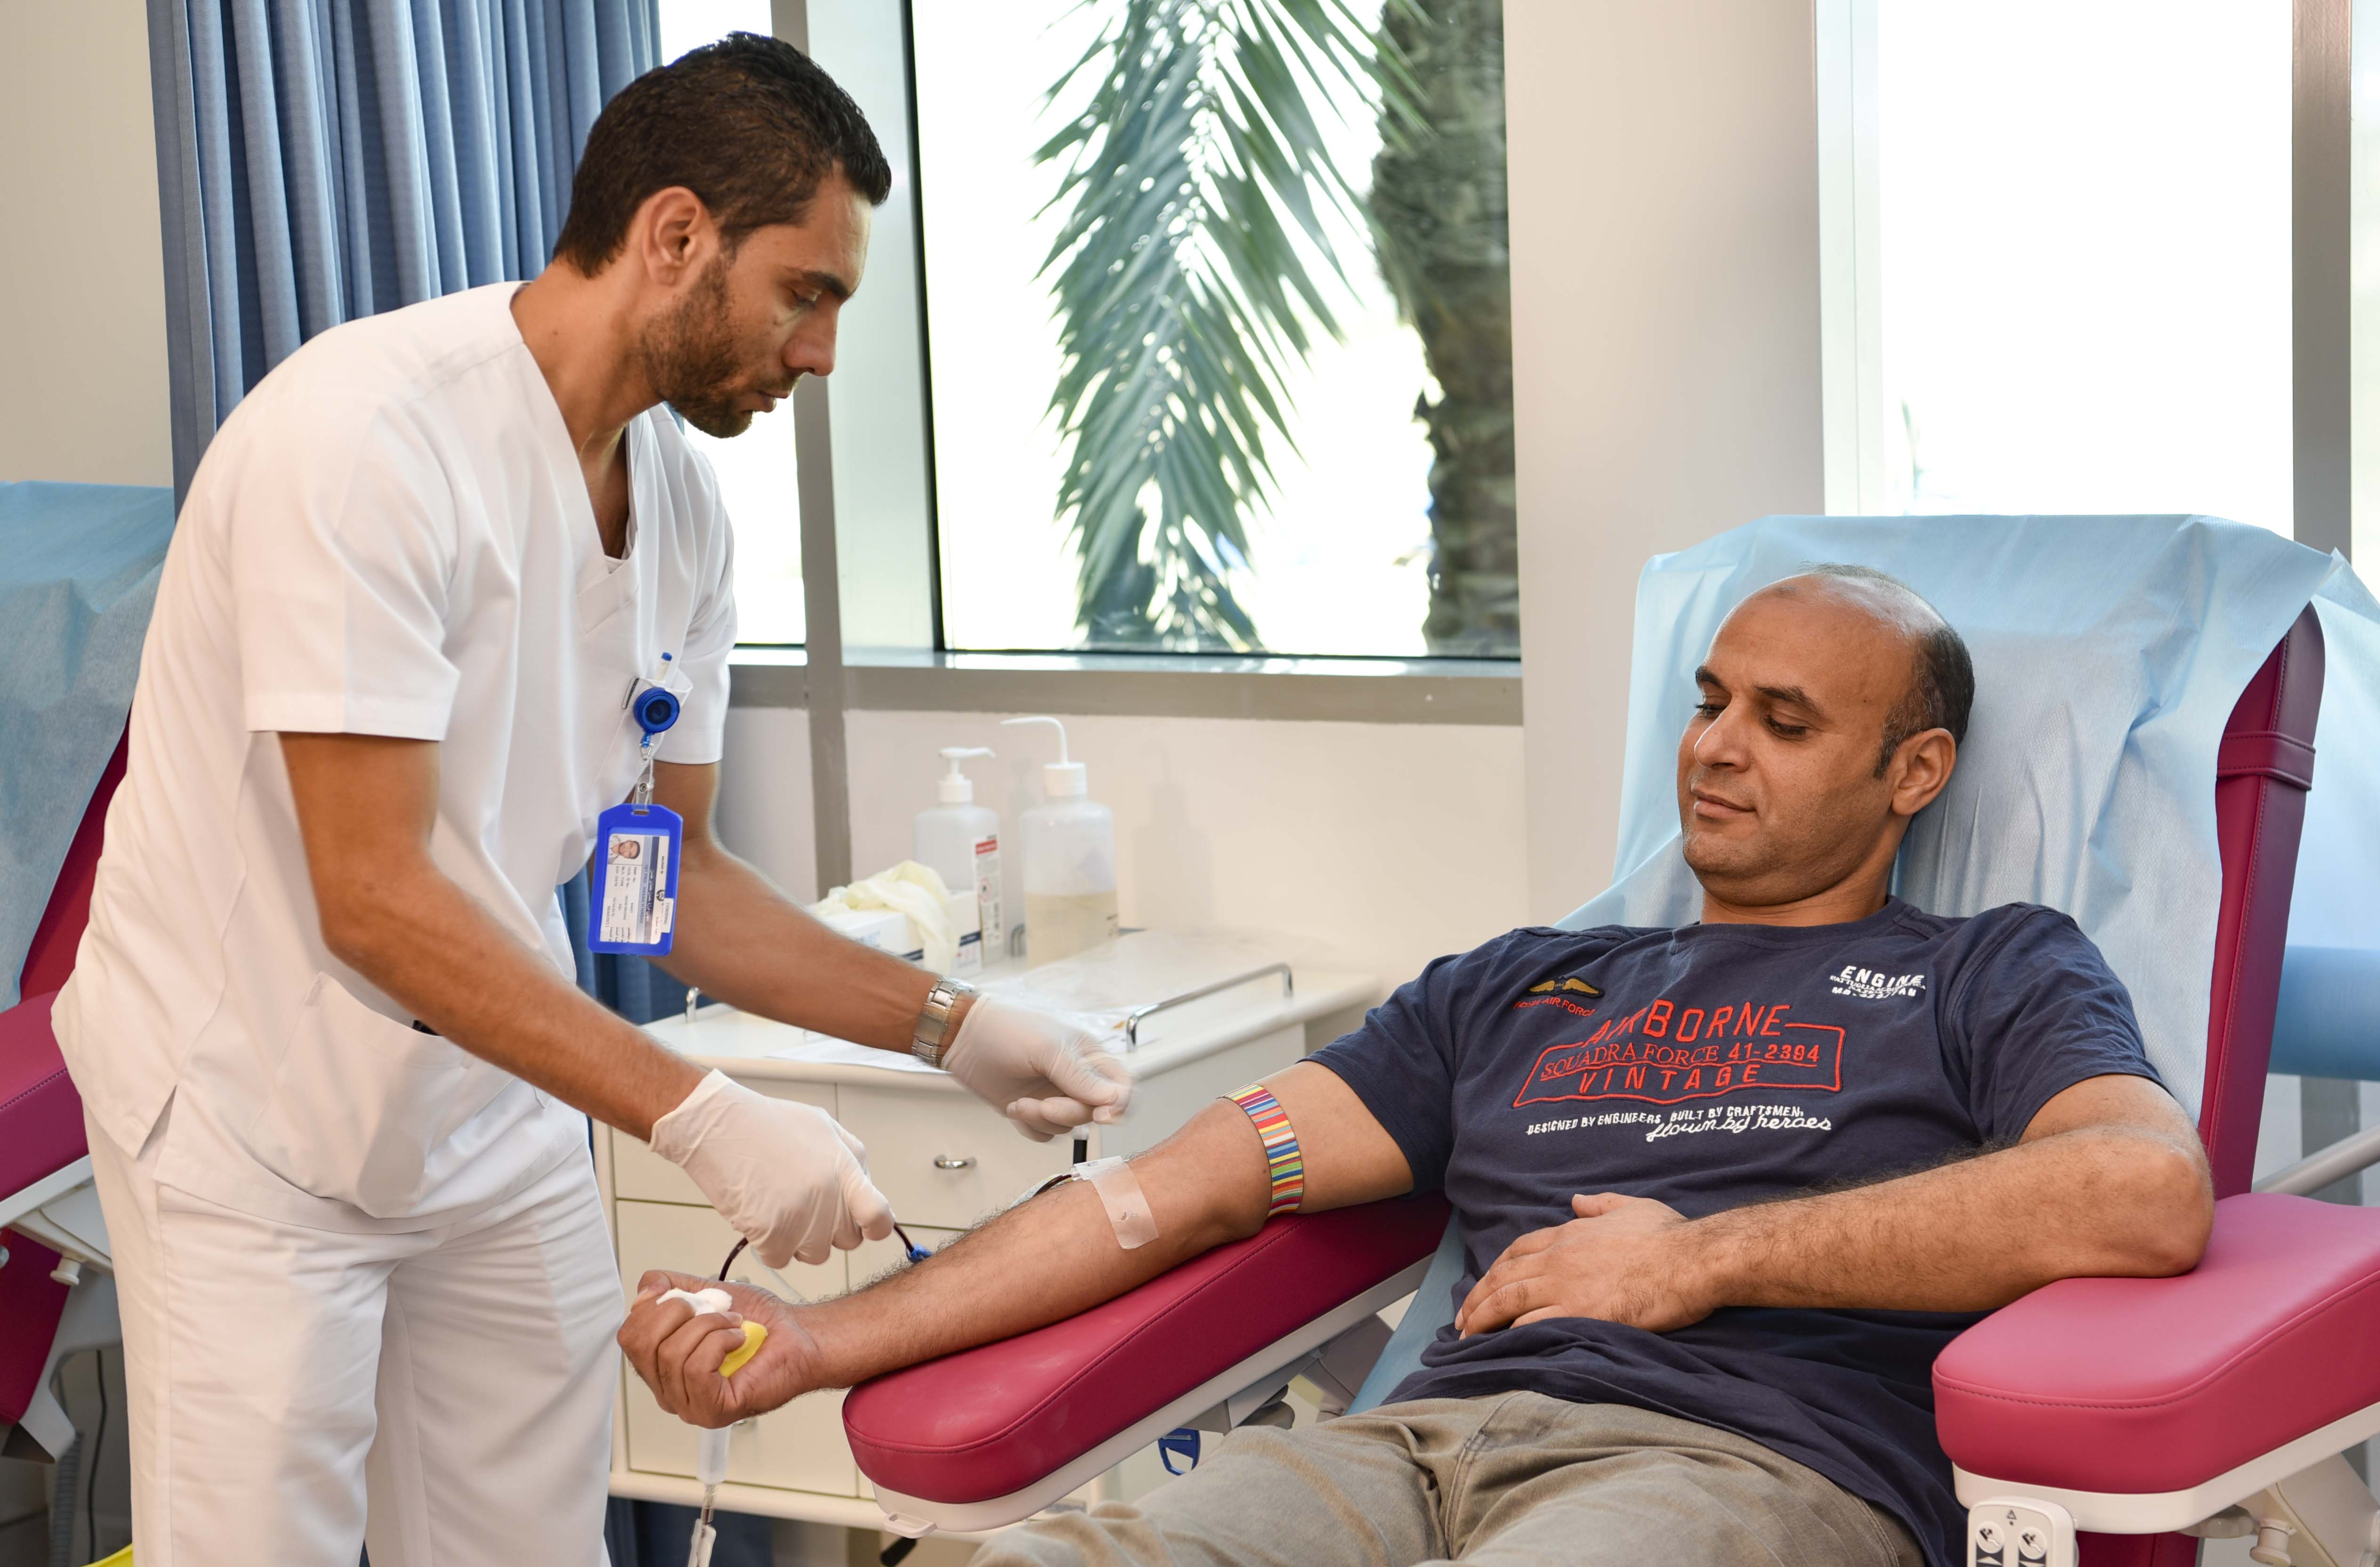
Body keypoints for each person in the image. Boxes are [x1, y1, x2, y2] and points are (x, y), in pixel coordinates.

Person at [56, 33, 1128, 1567]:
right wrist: (704, 1118)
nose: (821, 353)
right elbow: (369, 898)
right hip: (250, 1117)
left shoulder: (680, 509)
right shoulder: (365, 443)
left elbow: (662, 880)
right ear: (675, 234)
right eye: (808, 294)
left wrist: (950, 1027)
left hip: (487, 1112)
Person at [621, 566, 2215, 1567]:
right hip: (1407, 1453)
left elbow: (2142, 1192)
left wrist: (1699, 1261)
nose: (1715, 744)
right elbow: (1161, 1202)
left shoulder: (1992, 969)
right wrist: (822, 1340)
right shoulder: (1515, 992)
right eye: (1711, 699)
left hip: (1748, 1471)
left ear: (1913, 772)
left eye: (1786, 722)